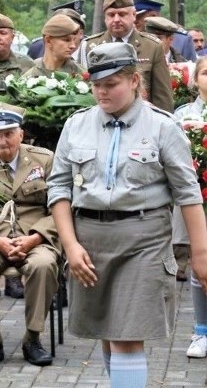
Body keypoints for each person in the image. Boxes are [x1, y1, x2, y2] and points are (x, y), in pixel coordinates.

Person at [47, 42, 207, 387]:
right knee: (109, 332)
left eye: (112, 84)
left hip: (144, 240)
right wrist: (70, 246)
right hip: (89, 242)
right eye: (97, 84)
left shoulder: (162, 126)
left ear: (135, 80)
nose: (102, 92)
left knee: (126, 335)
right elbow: (58, 189)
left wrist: (200, 256)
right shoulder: (76, 125)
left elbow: (188, 194)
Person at [0, 102, 60, 368]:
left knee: (43, 265)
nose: (2, 140)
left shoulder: (45, 160)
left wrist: (34, 238)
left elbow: (60, 208)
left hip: (36, 237)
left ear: (21, 134)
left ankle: (32, 338)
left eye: (8, 133)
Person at [78, 0, 174, 112]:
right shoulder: (90, 46)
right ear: (105, 17)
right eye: (111, 15)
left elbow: (163, 97)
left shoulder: (152, 47)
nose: (116, 19)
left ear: (134, 15)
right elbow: (83, 92)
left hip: (142, 121)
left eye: (122, 14)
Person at [172, 57, 207, 356]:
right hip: (197, 198)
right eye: (206, 73)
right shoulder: (182, 115)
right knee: (200, 263)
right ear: (195, 79)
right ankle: (201, 331)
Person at [131, 0, 197, 62]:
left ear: (155, 16)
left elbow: (192, 68)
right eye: (134, 18)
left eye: (138, 18)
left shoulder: (182, 40)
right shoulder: (128, 40)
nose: (135, 22)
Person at [22, 14, 84, 78]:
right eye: (66, 40)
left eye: (74, 40)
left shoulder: (81, 75)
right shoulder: (28, 77)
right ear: (48, 41)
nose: (73, 46)